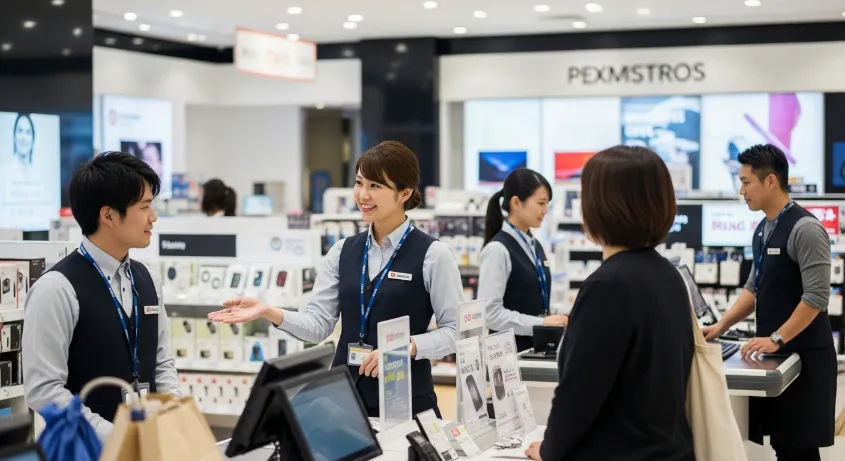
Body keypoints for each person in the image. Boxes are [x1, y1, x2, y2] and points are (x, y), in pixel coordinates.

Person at [208, 141, 462, 417]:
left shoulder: (433, 255)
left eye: (375, 186)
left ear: (405, 192)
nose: (363, 195)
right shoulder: (342, 251)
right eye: (359, 183)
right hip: (345, 402)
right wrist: (269, 312)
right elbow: (318, 325)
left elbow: (454, 331)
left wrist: (406, 347)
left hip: (408, 402)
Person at [525, 145, 694, 461]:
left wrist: (550, 450)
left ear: (601, 205)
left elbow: (579, 393)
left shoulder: (608, 286)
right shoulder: (667, 274)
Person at [22, 152, 181, 441]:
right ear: (108, 215)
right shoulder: (56, 289)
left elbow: (162, 363)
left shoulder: (148, 280)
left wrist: (173, 418)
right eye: (145, 206)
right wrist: (116, 437)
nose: (153, 217)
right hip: (87, 449)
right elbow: (44, 391)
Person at [702, 144, 836, 461]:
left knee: (800, 450)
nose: (741, 190)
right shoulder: (763, 229)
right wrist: (721, 326)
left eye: (746, 182)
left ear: (771, 181)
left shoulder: (806, 229)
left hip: (805, 360)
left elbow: (816, 297)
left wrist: (776, 337)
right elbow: (755, 287)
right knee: (783, 447)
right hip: (779, 357)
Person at [477, 168, 567, 352]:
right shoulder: (497, 250)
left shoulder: (534, 245)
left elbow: (532, 299)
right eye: (541, 203)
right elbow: (490, 314)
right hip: (509, 357)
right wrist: (541, 323)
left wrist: (558, 313)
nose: (545, 211)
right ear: (516, 203)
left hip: (535, 352)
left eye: (547, 204)